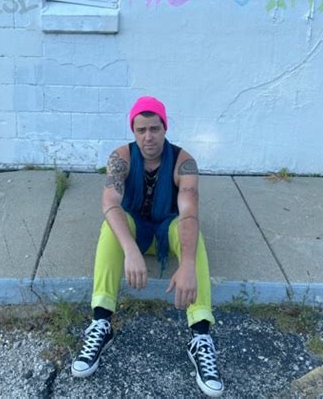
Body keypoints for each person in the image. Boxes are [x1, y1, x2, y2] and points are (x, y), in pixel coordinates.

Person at [71, 96, 224, 397]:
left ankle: (201, 336)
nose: (148, 136)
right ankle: (101, 322)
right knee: (110, 226)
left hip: (168, 229)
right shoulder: (121, 157)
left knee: (193, 233)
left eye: (155, 128)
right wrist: (130, 250)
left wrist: (187, 265)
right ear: (133, 130)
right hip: (135, 232)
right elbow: (110, 203)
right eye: (141, 130)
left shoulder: (184, 162)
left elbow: (189, 212)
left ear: (165, 128)